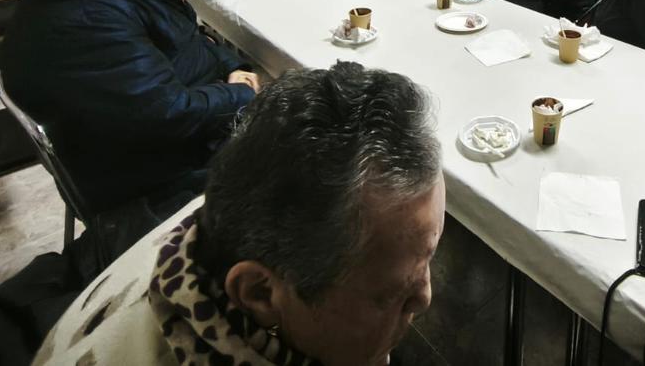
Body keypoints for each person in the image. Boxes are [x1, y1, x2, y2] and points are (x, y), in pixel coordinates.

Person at [38, 63, 445, 365]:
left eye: (429, 257)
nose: (424, 298)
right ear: (259, 292)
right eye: (389, 294)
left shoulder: (228, 215)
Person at [1, 0, 260, 224]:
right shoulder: (89, 17)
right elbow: (166, 114)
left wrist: (231, 65)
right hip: (155, 179)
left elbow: (190, 40)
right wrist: (238, 93)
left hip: (156, 142)